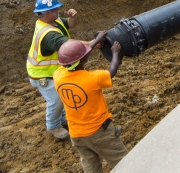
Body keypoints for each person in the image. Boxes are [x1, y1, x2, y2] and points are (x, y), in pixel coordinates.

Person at [54, 34, 128, 172]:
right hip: (99, 132)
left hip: (76, 134)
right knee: (122, 161)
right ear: (84, 60)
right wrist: (115, 53)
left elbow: (75, 59)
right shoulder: (92, 79)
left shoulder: (58, 75)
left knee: (90, 166)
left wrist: (95, 41)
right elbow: (112, 70)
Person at [26, 0, 77, 140]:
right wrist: (93, 42)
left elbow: (70, 24)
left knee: (61, 94)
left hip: (50, 71)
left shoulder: (54, 21)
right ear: (49, 12)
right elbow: (69, 45)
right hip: (42, 74)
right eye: (56, 9)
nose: (59, 10)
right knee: (56, 99)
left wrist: (73, 18)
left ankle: (61, 119)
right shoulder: (48, 34)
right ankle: (53, 125)